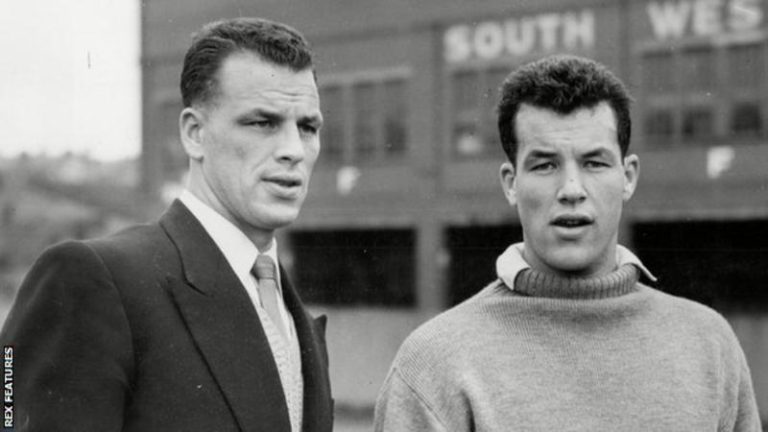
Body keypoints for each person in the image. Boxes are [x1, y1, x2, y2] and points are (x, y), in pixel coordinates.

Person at [374, 55, 761, 431]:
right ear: (511, 183)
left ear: (628, 177)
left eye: (595, 163)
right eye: (545, 165)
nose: (572, 189)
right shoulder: (433, 365)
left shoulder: (710, 345)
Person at [1, 17, 333, 432]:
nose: (293, 150)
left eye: (307, 127)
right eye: (262, 123)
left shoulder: (293, 315)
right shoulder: (95, 280)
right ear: (194, 133)